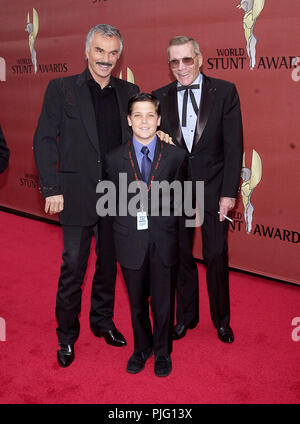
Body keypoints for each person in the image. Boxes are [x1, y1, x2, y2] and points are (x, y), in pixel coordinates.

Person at [33, 24, 139, 367]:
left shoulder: (130, 91)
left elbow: (140, 139)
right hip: (76, 193)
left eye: (112, 53)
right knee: (73, 268)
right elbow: (45, 139)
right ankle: (66, 336)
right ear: (86, 51)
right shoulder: (61, 88)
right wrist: (52, 188)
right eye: (99, 51)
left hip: (117, 196)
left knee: (108, 266)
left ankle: (102, 321)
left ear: (119, 56)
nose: (105, 59)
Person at [153, 36, 243, 343]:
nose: (181, 67)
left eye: (187, 60)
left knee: (216, 254)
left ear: (200, 58)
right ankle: (186, 317)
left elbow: (234, 148)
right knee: (180, 255)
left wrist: (229, 193)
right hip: (176, 192)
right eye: (174, 62)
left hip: (214, 186)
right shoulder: (159, 97)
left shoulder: (225, 92)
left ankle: (221, 320)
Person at [104, 93, 187, 376]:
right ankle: (142, 348)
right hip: (130, 240)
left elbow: (182, 200)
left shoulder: (176, 156)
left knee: (163, 303)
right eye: (138, 115)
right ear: (129, 120)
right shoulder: (114, 158)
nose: (144, 121)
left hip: (164, 240)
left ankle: (163, 351)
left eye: (150, 115)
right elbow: (110, 203)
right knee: (137, 302)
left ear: (159, 120)